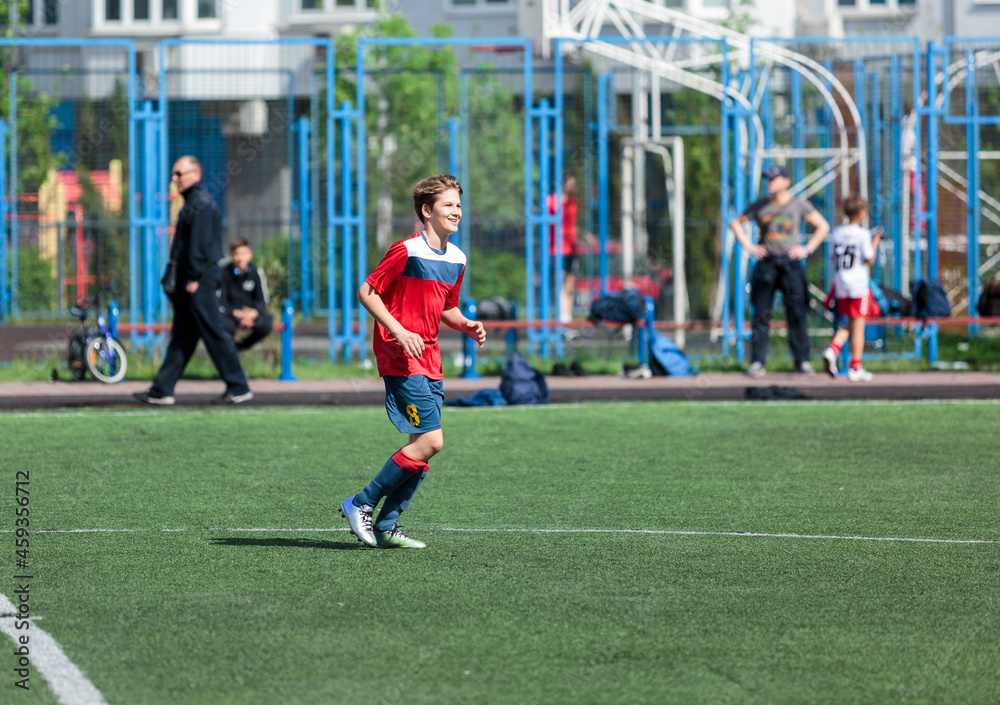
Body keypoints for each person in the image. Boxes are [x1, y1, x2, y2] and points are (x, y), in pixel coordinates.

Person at [340, 174, 486, 549]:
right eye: (449, 205)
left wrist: (466, 325)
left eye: (459, 204)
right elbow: (367, 292)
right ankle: (362, 502)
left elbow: (447, 307)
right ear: (426, 211)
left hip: (430, 358)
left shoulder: (457, 258)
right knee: (432, 441)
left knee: (421, 444)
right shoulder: (405, 250)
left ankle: (387, 526)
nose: (457, 211)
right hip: (400, 355)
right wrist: (400, 330)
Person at [133, 156, 253, 406]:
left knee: (213, 332)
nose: (174, 178)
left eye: (179, 173)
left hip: (199, 282)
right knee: (183, 337)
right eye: (174, 174)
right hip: (193, 281)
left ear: (195, 175)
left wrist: (195, 278)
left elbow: (200, 246)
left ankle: (239, 386)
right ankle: (162, 389)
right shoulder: (194, 204)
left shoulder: (200, 204)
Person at [729, 164, 830, 378]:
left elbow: (823, 226)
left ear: (786, 181)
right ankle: (757, 362)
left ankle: (801, 361)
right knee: (761, 314)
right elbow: (736, 223)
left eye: (774, 179)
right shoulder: (760, 206)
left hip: (790, 265)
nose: (770, 183)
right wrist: (749, 247)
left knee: (796, 313)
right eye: (768, 179)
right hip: (766, 264)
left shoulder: (798, 204)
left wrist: (807, 248)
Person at [822, 194, 883, 382]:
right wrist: (876, 241)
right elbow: (869, 258)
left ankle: (833, 350)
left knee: (848, 324)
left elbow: (834, 256)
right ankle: (855, 367)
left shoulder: (837, 232)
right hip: (858, 285)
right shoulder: (863, 234)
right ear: (861, 213)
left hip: (841, 283)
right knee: (858, 327)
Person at [547, 172, 596, 324]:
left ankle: (566, 320)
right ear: (564, 184)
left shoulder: (573, 202)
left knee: (570, 283)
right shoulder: (551, 201)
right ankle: (557, 319)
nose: (574, 186)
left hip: (570, 248)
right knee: (559, 283)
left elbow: (572, 225)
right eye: (572, 183)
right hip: (556, 249)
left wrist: (584, 235)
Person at [219, 238, 272, 351]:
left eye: (243, 254)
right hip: (231, 314)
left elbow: (263, 300)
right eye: (237, 254)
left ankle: (238, 348)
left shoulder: (256, 272)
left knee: (266, 324)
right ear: (231, 255)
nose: (240, 258)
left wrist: (253, 313)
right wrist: (235, 313)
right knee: (225, 327)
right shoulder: (223, 273)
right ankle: (229, 356)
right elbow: (220, 302)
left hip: (250, 313)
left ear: (249, 255)